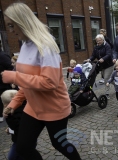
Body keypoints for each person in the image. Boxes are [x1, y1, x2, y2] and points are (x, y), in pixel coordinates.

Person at [2, 3, 81, 160]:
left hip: (54, 107)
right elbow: (28, 83)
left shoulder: (46, 46)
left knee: (59, 143)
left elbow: (49, 83)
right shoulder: (24, 45)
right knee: (23, 147)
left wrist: (14, 76)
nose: (11, 30)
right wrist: (14, 103)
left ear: (22, 21)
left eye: (12, 25)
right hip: (33, 107)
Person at [84, 34, 114, 99]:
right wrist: (89, 59)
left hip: (109, 65)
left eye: (99, 40)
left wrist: (103, 58)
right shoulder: (96, 47)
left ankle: (107, 93)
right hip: (101, 66)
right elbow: (93, 55)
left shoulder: (107, 46)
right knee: (108, 79)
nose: (98, 42)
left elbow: (109, 54)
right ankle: (115, 82)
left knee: (106, 79)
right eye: (97, 41)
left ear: (103, 40)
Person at [2, 90, 26, 160]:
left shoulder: (11, 115)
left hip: (21, 140)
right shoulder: (24, 107)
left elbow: (17, 128)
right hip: (26, 139)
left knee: (12, 157)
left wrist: (10, 130)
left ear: (5, 105)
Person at [0, 43, 13, 123]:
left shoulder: (2, 56)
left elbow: (11, 68)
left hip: (4, 84)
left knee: (4, 100)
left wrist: (4, 75)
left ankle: (5, 116)